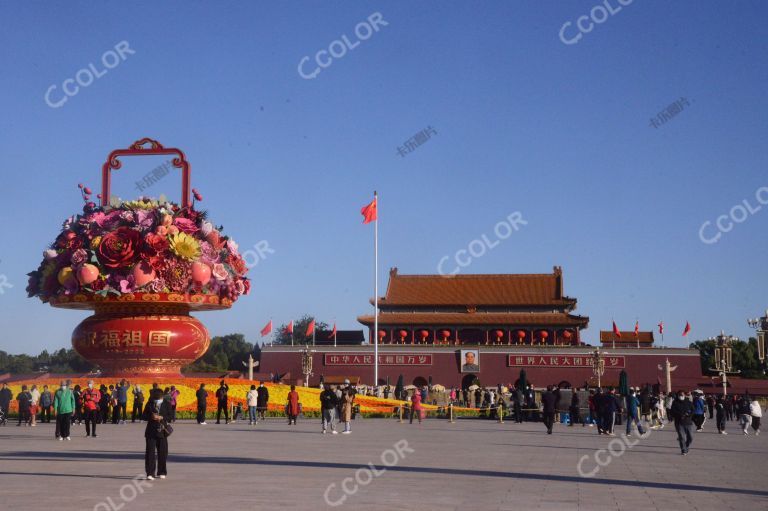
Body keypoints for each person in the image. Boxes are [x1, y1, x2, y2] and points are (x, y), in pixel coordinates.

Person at [143, 388, 172, 480]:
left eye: (158, 398)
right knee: (150, 453)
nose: (157, 400)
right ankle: (150, 473)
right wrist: (151, 416)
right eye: (155, 398)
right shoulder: (150, 404)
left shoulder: (167, 404)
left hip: (162, 431)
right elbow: (143, 416)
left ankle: (162, 471)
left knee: (163, 452)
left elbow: (171, 416)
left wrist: (162, 417)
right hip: (151, 432)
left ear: (162, 397)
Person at [670, 390, 695, 455]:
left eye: (682, 395)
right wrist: (679, 415)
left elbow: (693, 410)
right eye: (680, 395)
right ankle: (683, 450)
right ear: (678, 396)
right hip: (679, 423)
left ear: (684, 395)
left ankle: (686, 446)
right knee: (682, 437)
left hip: (688, 422)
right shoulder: (675, 402)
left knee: (690, 437)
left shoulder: (688, 402)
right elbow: (672, 412)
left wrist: (688, 415)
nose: (681, 396)